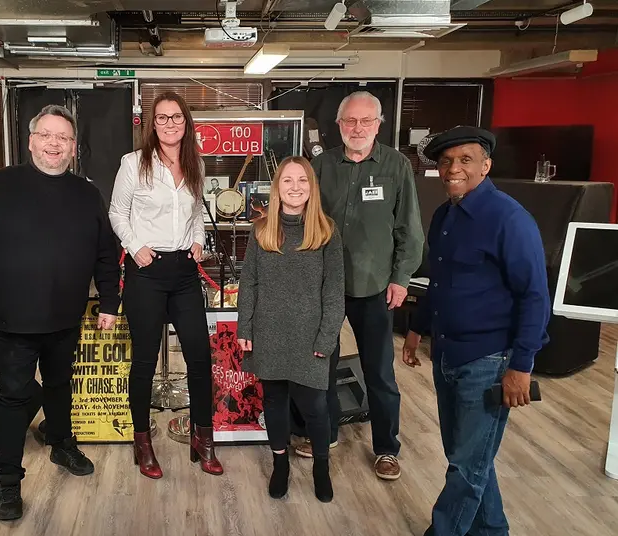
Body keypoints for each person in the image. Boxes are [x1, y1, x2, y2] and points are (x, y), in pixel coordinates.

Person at [0, 104, 120, 521]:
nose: (54, 144)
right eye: (46, 135)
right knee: (13, 399)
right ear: (31, 141)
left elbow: (105, 254)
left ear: (73, 147)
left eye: (63, 138)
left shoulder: (87, 194)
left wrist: (109, 302)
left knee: (60, 386)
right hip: (11, 320)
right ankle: (9, 481)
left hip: (66, 317)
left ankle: (62, 444)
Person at [402, 126, 549, 536]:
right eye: (446, 161)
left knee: (468, 464)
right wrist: (416, 329)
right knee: (467, 455)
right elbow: (439, 280)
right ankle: (492, 530)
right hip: (447, 353)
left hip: (489, 360)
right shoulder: (445, 215)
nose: (453, 168)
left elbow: (535, 296)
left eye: (465, 160)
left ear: (486, 165)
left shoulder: (509, 219)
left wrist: (521, 366)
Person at [302, 91, 424, 482]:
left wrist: (401, 278)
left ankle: (387, 448)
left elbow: (409, 229)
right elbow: (303, 223)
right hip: (327, 285)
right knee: (322, 365)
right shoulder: (321, 166)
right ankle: (327, 433)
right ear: (339, 125)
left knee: (379, 371)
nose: (357, 128)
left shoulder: (396, 166)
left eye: (366, 121)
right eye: (350, 121)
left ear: (378, 124)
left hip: (375, 286)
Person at [109, 91, 221, 479]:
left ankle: (202, 439)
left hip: (185, 272)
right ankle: (142, 443)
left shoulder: (195, 163)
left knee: (200, 358)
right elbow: (116, 212)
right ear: (152, 124)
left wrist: (198, 240)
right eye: (162, 118)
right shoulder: (133, 164)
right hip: (147, 271)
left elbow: (195, 214)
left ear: (186, 122)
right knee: (142, 361)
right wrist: (135, 246)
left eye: (177, 117)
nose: (170, 124)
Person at [236, 156, 344, 501]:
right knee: (275, 401)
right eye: (287, 180)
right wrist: (245, 327)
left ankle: (321, 467)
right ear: (277, 187)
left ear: (311, 187)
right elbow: (249, 283)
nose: (295, 187)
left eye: (302, 180)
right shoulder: (261, 230)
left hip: (310, 336)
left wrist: (327, 337)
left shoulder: (327, 231)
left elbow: (333, 290)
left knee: (316, 406)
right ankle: (280, 464)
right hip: (268, 331)